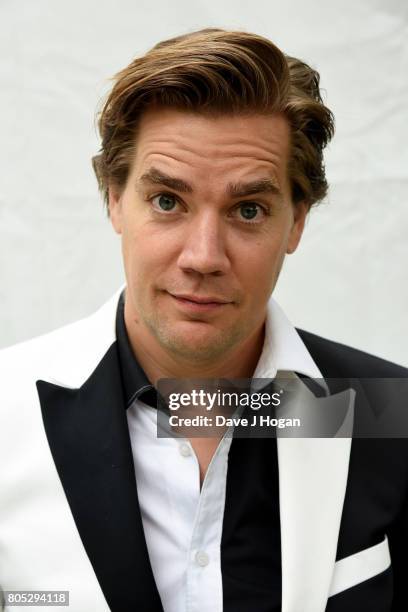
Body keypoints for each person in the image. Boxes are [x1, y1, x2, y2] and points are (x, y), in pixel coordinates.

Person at [0, 28, 407, 612]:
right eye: (168, 201)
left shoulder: (390, 412)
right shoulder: (6, 411)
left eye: (248, 210)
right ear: (113, 198)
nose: (203, 257)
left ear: (296, 222)